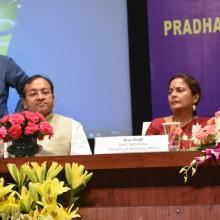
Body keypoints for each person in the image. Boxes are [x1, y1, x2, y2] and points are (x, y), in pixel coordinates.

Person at [21, 74, 92, 156]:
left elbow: (83, 163)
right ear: (24, 102)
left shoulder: (73, 126)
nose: (40, 97)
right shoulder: (10, 128)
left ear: (53, 99)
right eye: (33, 94)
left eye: (45, 92)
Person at [145, 73, 209, 149]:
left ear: (195, 98)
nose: (173, 95)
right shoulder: (157, 125)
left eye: (179, 90)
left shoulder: (207, 126)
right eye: (170, 92)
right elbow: (144, 157)